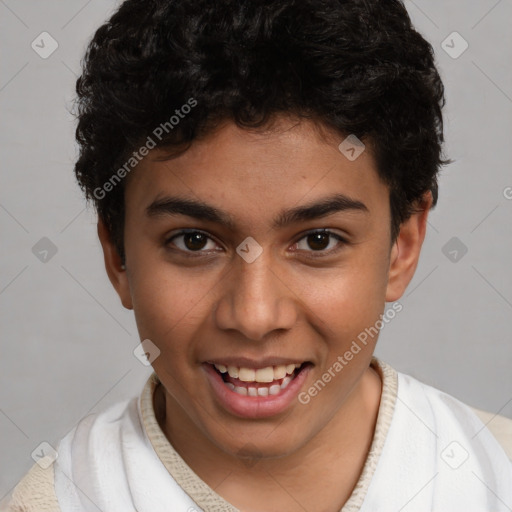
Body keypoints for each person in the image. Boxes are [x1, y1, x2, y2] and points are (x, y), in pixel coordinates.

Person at [3, 0, 511, 510]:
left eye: (318, 240)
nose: (254, 316)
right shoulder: (58, 500)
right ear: (118, 255)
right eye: (194, 241)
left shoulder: (495, 474)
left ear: (402, 247)